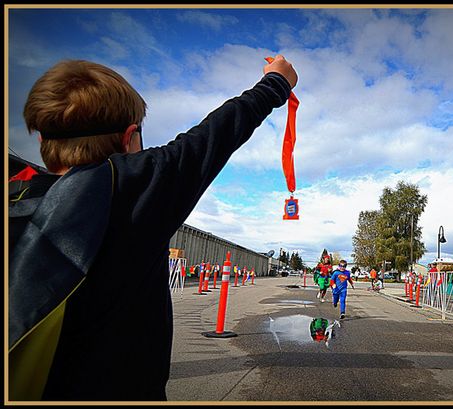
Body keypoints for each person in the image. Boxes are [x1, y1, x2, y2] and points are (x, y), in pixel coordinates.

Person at [9, 56, 297, 400]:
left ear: (41, 140)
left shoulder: (16, 198)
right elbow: (215, 134)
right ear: (131, 137)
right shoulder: (129, 188)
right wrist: (276, 83)